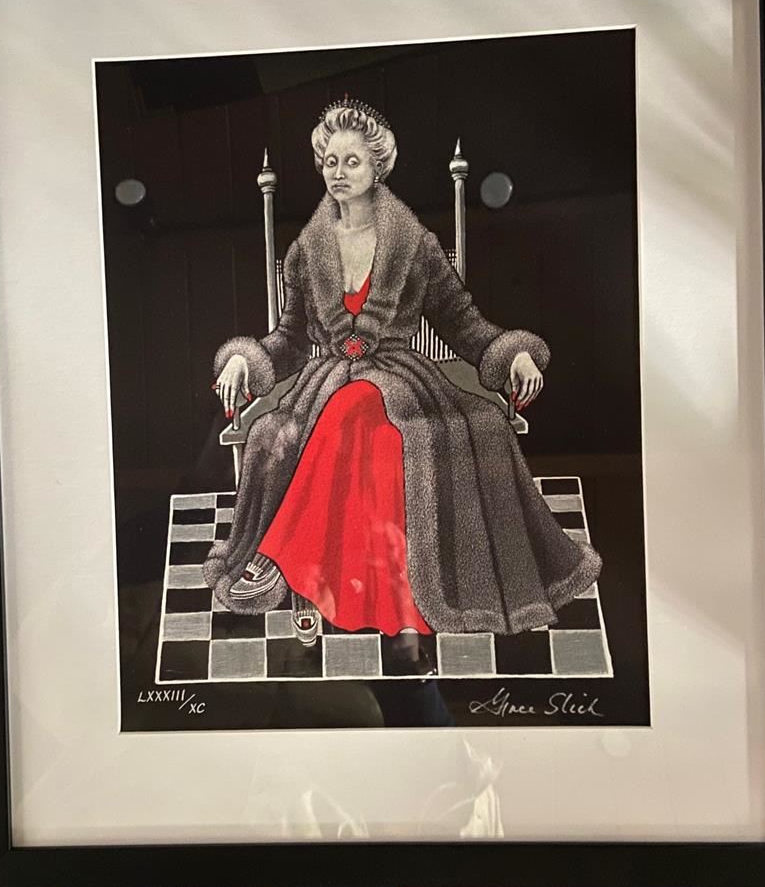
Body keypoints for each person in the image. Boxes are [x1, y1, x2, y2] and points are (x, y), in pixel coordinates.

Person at [206, 98, 600, 644]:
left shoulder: (416, 247)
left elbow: (463, 324)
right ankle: (309, 579)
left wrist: (513, 353)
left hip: (400, 380)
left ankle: (283, 563)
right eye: (330, 162)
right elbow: (290, 341)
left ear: (378, 167)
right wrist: (244, 360)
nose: (338, 173)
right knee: (297, 425)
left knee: (362, 410)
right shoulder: (305, 252)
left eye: (352, 162)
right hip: (326, 380)